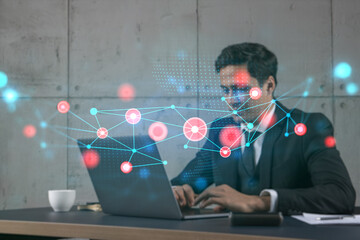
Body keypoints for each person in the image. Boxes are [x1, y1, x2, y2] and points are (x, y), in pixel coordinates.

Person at [171, 42, 355, 215]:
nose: (231, 100)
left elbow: (340, 195)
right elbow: (184, 182)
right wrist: (177, 191)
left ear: (269, 86)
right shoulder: (220, 131)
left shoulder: (308, 128)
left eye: (241, 89)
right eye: (226, 90)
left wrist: (260, 202)